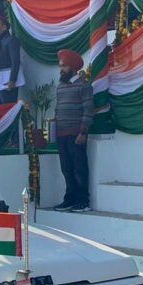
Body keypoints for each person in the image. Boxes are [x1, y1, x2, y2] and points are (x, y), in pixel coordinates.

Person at [52, 49, 94, 212]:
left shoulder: (84, 85)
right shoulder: (60, 87)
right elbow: (57, 109)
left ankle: (83, 201)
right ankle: (69, 199)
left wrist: (83, 132)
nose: (61, 69)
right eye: (60, 66)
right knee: (66, 168)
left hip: (77, 134)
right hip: (61, 134)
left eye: (64, 66)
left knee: (79, 168)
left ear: (73, 68)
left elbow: (88, 109)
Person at [0, 16, 22, 104]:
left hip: (7, 82)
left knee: (7, 108)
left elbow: (15, 61)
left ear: (4, 27)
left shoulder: (11, 40)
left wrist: (12, 79)